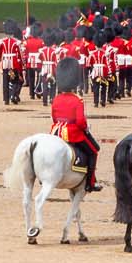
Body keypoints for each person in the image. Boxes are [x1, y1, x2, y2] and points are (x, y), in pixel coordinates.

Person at [48, 57, 100, 192]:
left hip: (56, 131)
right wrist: (86, 129)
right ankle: (90, 182)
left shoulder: (56, 98)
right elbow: (80, 122)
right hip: (72, 132)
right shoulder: (78, 100)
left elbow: (54, 118)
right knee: (94, 151)